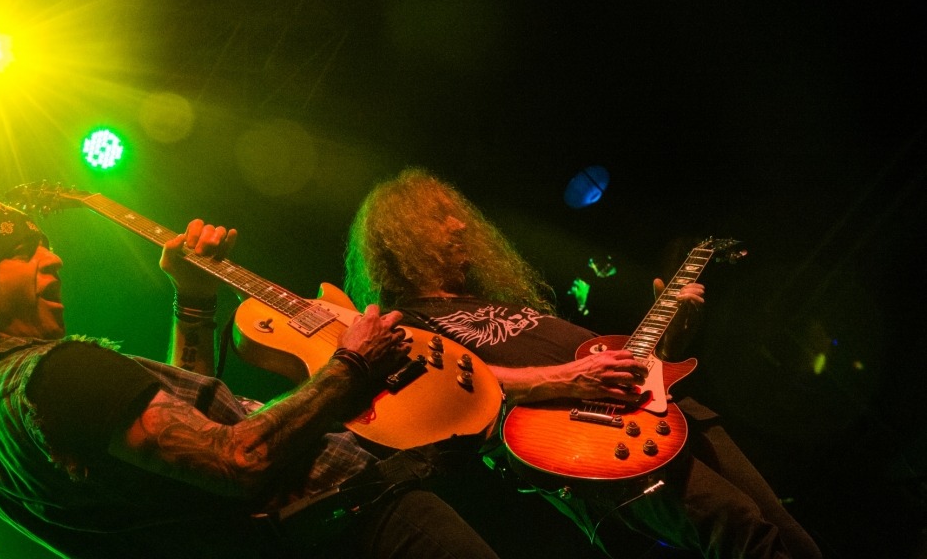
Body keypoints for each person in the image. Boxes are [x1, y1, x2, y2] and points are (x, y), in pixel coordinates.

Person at [0, 182, 502, 559]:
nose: (55, 257)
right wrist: (352, 365)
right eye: (26, 251)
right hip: (357, 528)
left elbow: (185, 461)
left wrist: (194, 299)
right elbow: (236, 464)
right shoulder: (62, 374)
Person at [342, 167, 823, 559]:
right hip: (596, 440)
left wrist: (671, 342)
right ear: (401, 237)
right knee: (741, 530)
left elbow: (632, 366)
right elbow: (454, 387)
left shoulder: (498, 300)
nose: (462, 224)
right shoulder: (408, 322)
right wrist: (571, 377)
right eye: (441, 217)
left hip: (668, 410)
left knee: (790, 535)